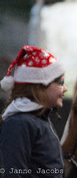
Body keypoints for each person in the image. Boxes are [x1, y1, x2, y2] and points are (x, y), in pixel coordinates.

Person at [0, 45, 67, 178]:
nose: (65, 89)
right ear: (39, 87)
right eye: (60, 82)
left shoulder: (40, 121)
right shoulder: (19, 124)